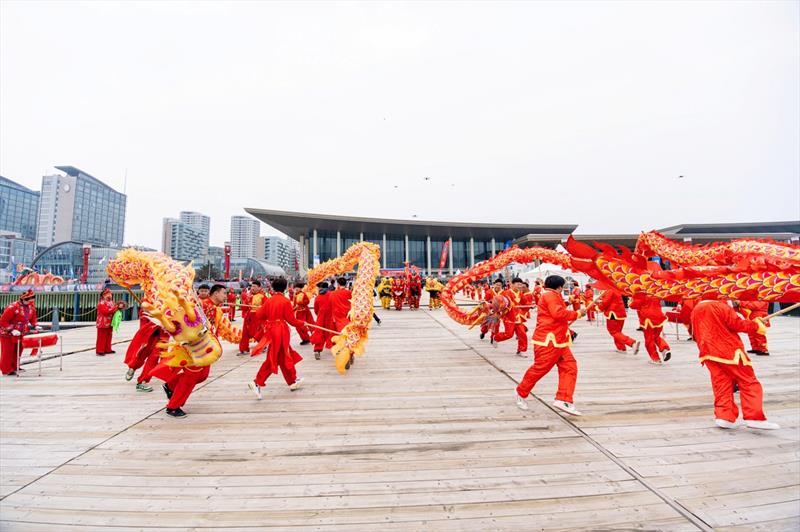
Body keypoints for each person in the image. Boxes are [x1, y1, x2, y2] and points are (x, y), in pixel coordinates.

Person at [691, 299, 779, 430]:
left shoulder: (697, 308)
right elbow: (737, 324)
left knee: (721, 383)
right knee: (749, 381)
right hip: (729, 351)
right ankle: (754, 417)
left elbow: (694, 333)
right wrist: (756, 325)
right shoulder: (721, 306)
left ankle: (724, 417)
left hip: (708, 351)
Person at [515, 275, 584, 415]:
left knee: (570, 367)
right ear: (559, 287)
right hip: (548, 341)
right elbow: (558, 313)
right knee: (540, 369)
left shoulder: (550, 295)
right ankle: (520, 392)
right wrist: (577, 313)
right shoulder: (550, 296)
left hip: (559, 340)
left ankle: (564, 399)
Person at [248, 278, 305, 399]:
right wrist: (301, 323)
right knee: (274, 357)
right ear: (285, 288)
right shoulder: (285, 301)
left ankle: (292, 380)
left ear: (273, 287)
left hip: (271, 330)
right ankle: (257, 381)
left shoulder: (269, 301)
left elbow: (259, 315)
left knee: (283, 355)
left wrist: (266, 316)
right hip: (281, 331)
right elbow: (291, 320)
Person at [124, 302, 168, 392]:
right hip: (150, 335)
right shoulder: (153, 295)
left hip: (164, 338)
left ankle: (142, 381)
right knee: (140, 354)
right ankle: (133, 367)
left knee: (153, 360)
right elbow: (144, 309)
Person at [0, 290, 38, 376]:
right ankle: (6, 370)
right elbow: (3, 321)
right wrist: (11, 330)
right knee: (7, 352)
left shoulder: (31, 307)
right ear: (24, 299)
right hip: (8, 334)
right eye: (30, 300)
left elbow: (33, 317)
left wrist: (35, 325)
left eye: (32, 300)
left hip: (21, 333)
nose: (31, 302)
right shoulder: (13, 307)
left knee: (18, 351)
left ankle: (15, 367)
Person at [628, 294, 671, 364]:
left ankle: (655, 358)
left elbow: (633, 305)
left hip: (648, 319)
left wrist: (630, 301)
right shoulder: (655, 292)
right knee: (656, 337)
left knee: (649, 340)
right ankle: (665, 349)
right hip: (659, 317)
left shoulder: (640, 294)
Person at [492, 277, 529, 356]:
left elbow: (525, 303)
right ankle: (496, 337)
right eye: (517, 284)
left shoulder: (521, 293)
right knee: (509, 334)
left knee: (522, 333)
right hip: (509, 317)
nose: (519, 286)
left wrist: (530, 305)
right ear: (512, 284)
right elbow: (500, 303)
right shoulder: (506, 293)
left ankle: (521, 350)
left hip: (518, 317)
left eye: (520, 284)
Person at [597, 289, 640, 354]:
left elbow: (605, 302)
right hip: (620, 313)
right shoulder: (616, 289)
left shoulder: (610, 290)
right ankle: (621, 348)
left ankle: (632, 343)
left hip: (613, 313)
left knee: (614, 332)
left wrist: (597, 307)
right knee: (618, 332)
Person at [329, 277, 354, 368]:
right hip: (349, 319)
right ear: (346, 284)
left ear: (338, 284)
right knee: (350, 338)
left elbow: (330, 306)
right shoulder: (350, 293)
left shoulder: (332, 294)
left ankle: (345, 358)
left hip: (338, 320)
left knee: (341, 340)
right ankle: (350, 355)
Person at [238, 280, 266, 355]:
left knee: (256, 333)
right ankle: (244, 349)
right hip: (248, 317)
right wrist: (243, 305)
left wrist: (261, 308)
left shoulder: (262, 296)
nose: (252, 288)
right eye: (252, 286)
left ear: (259, 287)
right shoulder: (249, 296)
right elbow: (245, 308)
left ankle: (263, 345)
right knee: (245, 333)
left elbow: (266, 307)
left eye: (254, 286)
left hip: (257, 317)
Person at [96, 288, 125, 356]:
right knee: (101, 337)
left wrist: (120, 307)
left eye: (110, 294)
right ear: (103, 295)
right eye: (107, 294)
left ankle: (107, 349)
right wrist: (116, 308)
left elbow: (114, 309)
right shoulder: (101, 303)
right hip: (102, 322)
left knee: (109, 336)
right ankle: (100, 350)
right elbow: (106, 311)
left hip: (110, 322)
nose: (109, 295)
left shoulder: (112, 302)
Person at [311, 281, 333, 359]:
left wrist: (319, 315)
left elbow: (316, 309)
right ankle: (335, 348)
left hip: (321, 317)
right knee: (331, 332)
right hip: (330, 317)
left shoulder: (318, 297)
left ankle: (317, 350)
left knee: (319, 332)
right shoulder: (331, 295)